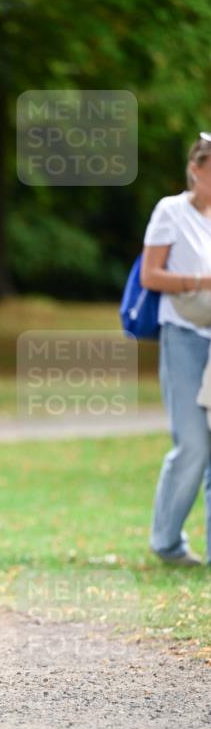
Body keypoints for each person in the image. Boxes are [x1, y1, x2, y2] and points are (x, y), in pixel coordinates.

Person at [141, 132, 211, 566]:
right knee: (193, 445)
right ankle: (167, 542)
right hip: (184, 335)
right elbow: (150, 275)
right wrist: (201, 282)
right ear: (196, 169)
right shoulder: (171, 211)